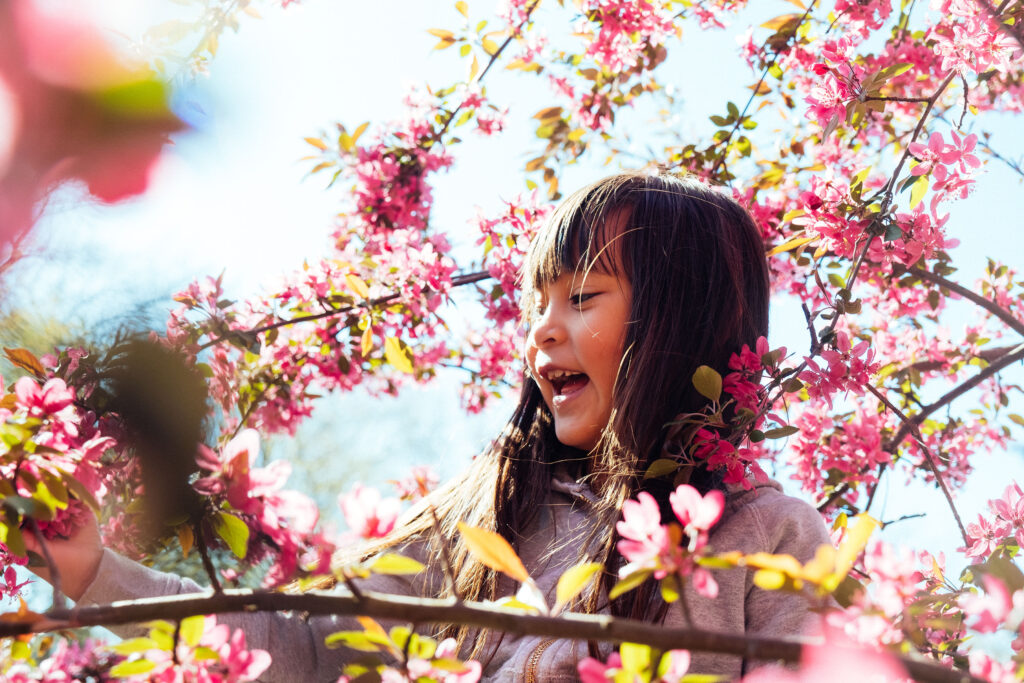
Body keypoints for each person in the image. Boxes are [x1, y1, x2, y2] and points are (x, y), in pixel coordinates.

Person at [33, 171, 831, 681]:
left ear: (680, 321)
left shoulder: (774, 540)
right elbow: (308, 645)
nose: (543, 332)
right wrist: (96, 570)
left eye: (581, 298)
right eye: (537, 304)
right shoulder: (477, 519)